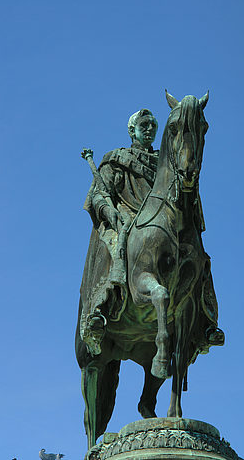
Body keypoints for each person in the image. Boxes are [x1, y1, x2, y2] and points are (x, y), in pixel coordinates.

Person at [79, 109, 159, 355]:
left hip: (160, 222)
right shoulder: (116, 159)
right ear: (132, 130)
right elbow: (98, 194)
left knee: (195, 251)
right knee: (116, 245)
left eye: (153, 126)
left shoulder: (165, 164)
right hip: (125, 220)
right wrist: (107, 210)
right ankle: (101, 309)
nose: (149, 129)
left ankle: (204, 319)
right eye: (144, 125)